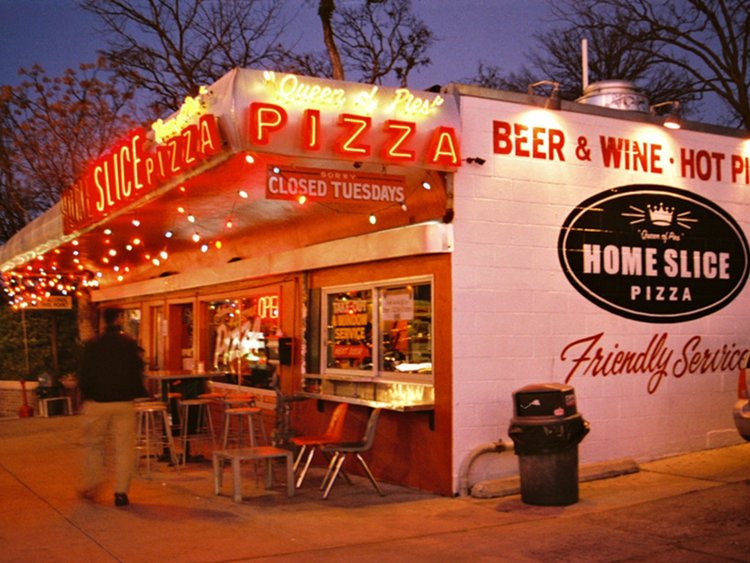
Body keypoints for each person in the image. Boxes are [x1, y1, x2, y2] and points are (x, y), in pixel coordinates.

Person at [78, 308, 148, 507]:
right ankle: (121, 492)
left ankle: (93, 484)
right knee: (124, 448)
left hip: (97, 403)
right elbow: (138, 369)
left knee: (94, 445)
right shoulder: (129, 344)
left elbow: (84, 374)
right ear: (119, 319)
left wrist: (87, 395)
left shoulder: (93, 346)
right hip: (124, 402)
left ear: (103, 321)